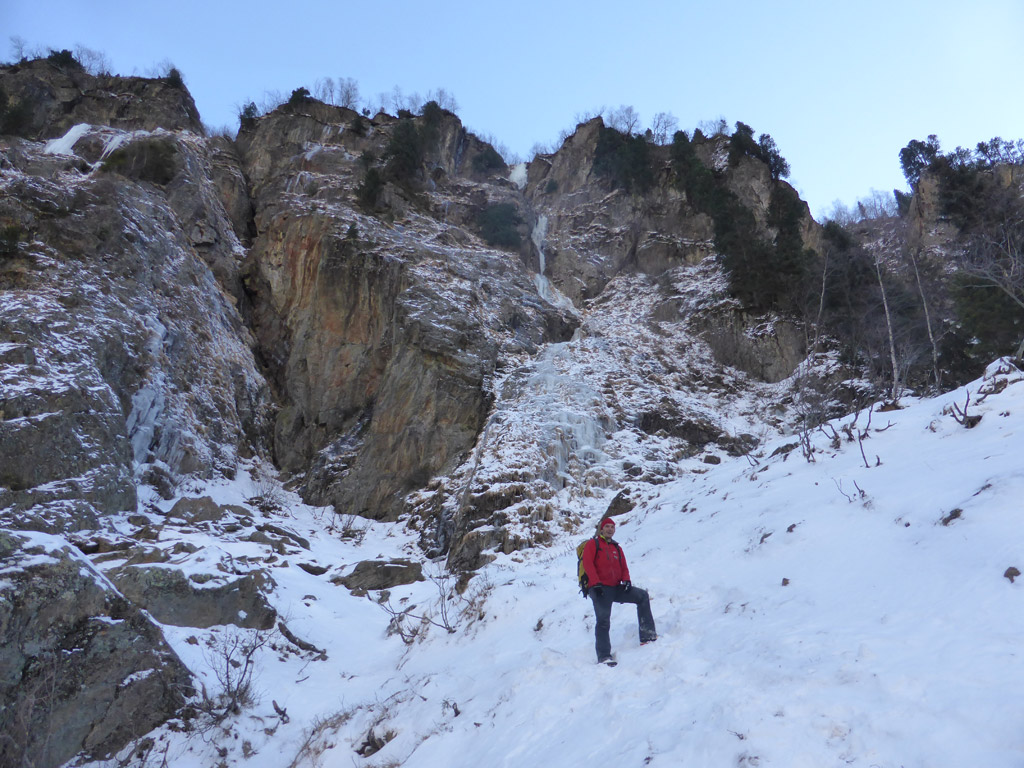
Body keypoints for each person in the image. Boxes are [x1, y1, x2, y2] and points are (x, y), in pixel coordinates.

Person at [581, 516, 657, 665]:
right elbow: (587, 564)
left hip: (615, 587)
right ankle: (604, 656)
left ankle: (648, 636)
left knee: (642, 596)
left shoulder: (617, 548)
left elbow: (623, 567)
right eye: (607, 526)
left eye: (612, 527)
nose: (610, 529)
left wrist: (626, 580)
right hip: (599, 588)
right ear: (601, 529)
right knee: (603, 621)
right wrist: (595, 584)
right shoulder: (593, 544)